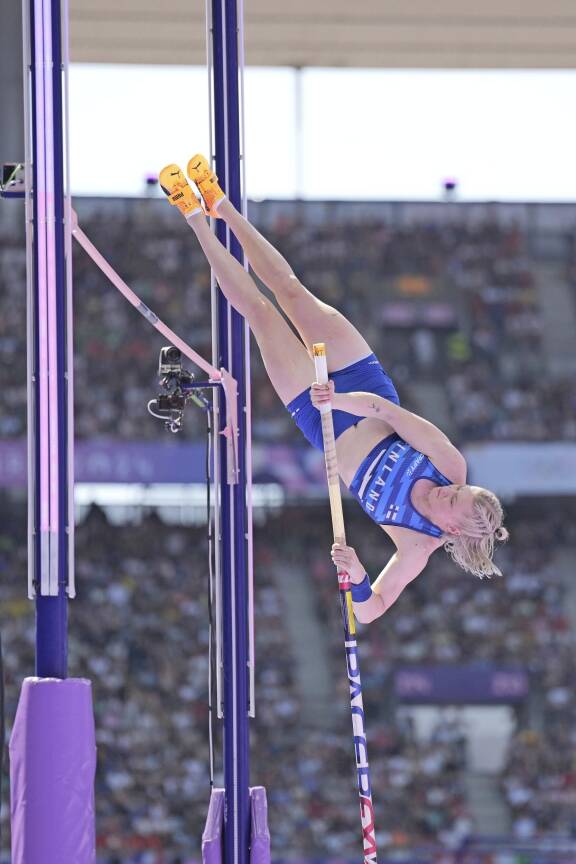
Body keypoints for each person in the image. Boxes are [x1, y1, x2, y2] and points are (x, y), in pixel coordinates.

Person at [159, 156, 509, 624]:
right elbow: (388, 411)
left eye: (452, 501)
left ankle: (194, 218)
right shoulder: (451, 466)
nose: (449, 491)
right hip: (363, 388)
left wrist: (359, 575)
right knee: (291, 290)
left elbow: (370, 611)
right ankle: (220, 202)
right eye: (459, 491)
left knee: (261, 315)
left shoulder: (415, 544)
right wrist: (340, 398)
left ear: (452, 529)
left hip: (319, 420)